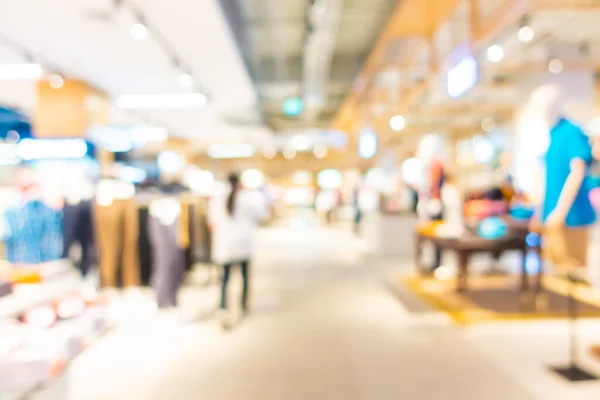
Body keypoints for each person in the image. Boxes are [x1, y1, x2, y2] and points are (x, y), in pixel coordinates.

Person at [209, 173, 270, 329]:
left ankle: (224, 307)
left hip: (225, 245)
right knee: (244, 277)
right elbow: (263, 215)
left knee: (225, 279)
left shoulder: (217, 200)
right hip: (243, 244)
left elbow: (211, 222)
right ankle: (243, 306)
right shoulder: (248, 199)